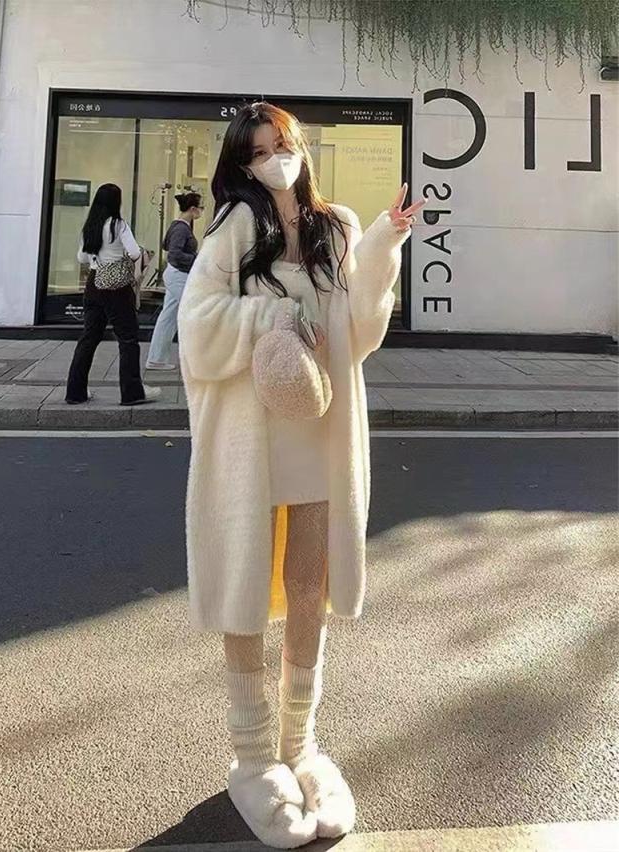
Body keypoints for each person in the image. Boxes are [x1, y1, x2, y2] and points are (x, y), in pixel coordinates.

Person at [177, 103, 423, 849]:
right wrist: (270, 320)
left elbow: (358, 328)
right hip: (251, 439)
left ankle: (301, 745)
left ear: (299, 146)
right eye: (258, 152)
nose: (275, 159)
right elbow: (198, 323)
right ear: (240, 165)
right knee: (248, 584)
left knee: (308, 585)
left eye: (281, 144)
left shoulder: (334, 226)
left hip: (317, 429)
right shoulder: (231, 228)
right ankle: (254, 758)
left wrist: (384, 240)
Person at [65, 183, 161, 406]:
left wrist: (99, 257)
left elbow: (81, 257)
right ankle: (132, 392)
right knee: (128, 339)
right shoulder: (119, 225)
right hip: (117, 287)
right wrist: (120, 256)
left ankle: (75, 392)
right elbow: (135, 252)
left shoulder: (90, 225)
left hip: (94, 283)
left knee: (89, 337)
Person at [145, 191, 203, 370]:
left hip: (174, 273)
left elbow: (165, 245)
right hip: (179, 275)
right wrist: (197, 259)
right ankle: (198, 359)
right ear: (192, 209)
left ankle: (156, 359)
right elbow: (174, 254)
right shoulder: (182, 229)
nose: (201, 211)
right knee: (196, 313)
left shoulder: (177, 225)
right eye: (200, 208)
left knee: (168, 316)